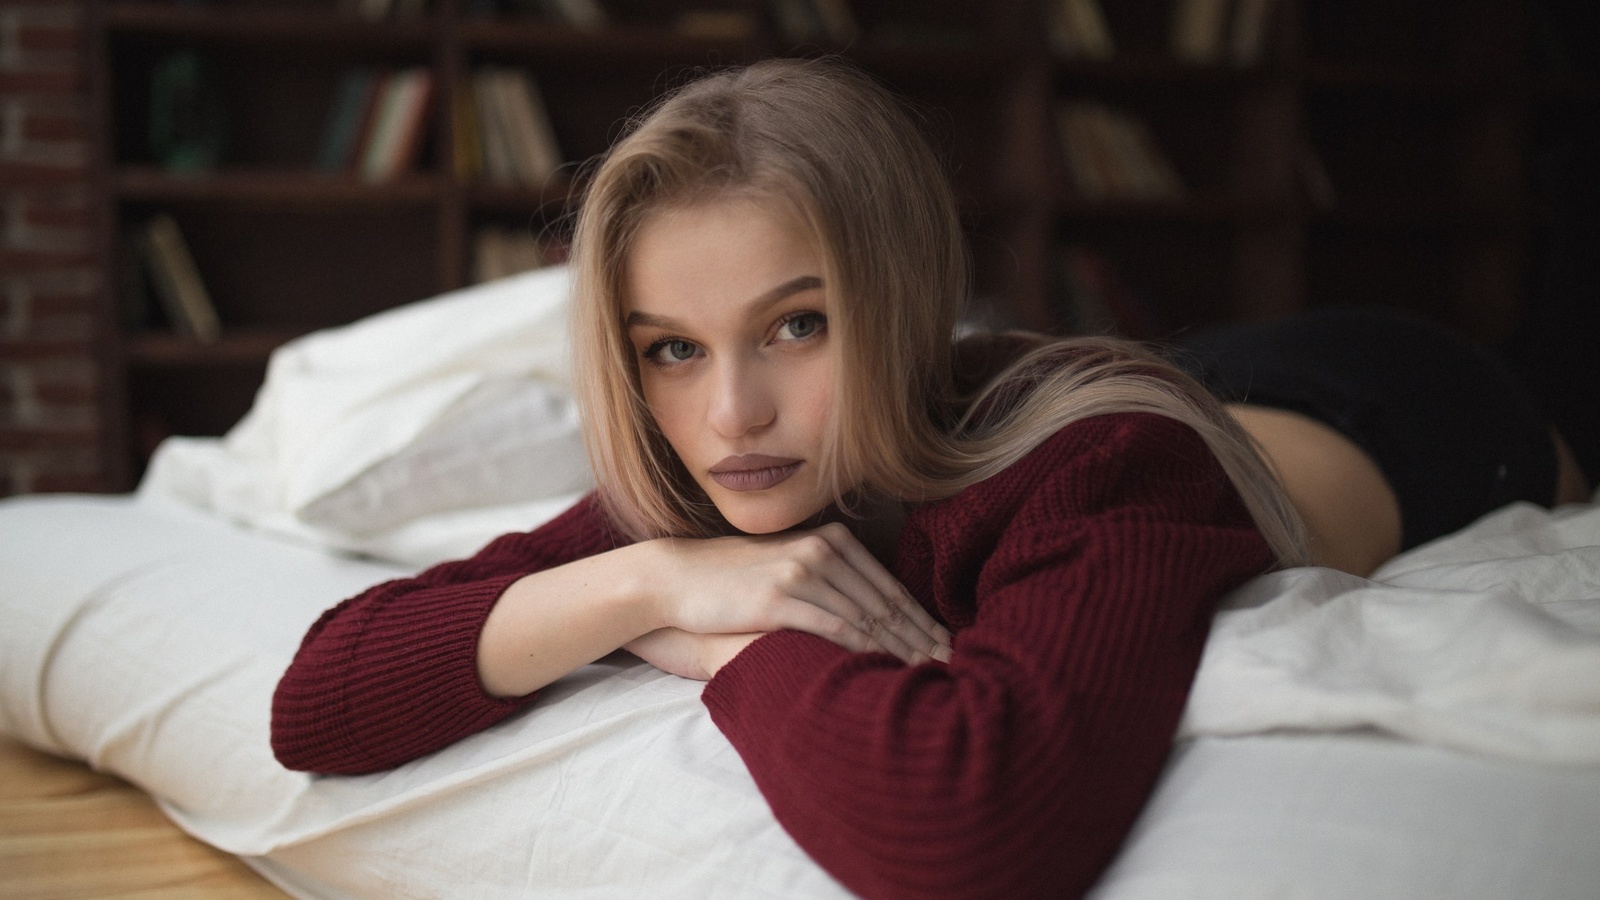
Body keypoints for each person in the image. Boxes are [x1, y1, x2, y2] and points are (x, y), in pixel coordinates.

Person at [270, 59, 1587, 898]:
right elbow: (319, 699)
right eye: (672, 349)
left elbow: (974, 832)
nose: (731, 411)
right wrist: (657, 582)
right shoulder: (714, 486)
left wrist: (735, 644)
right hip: (1205, 370)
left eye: (798, 324)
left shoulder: (1104, 466)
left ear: (895, 306)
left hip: (1406, 406)